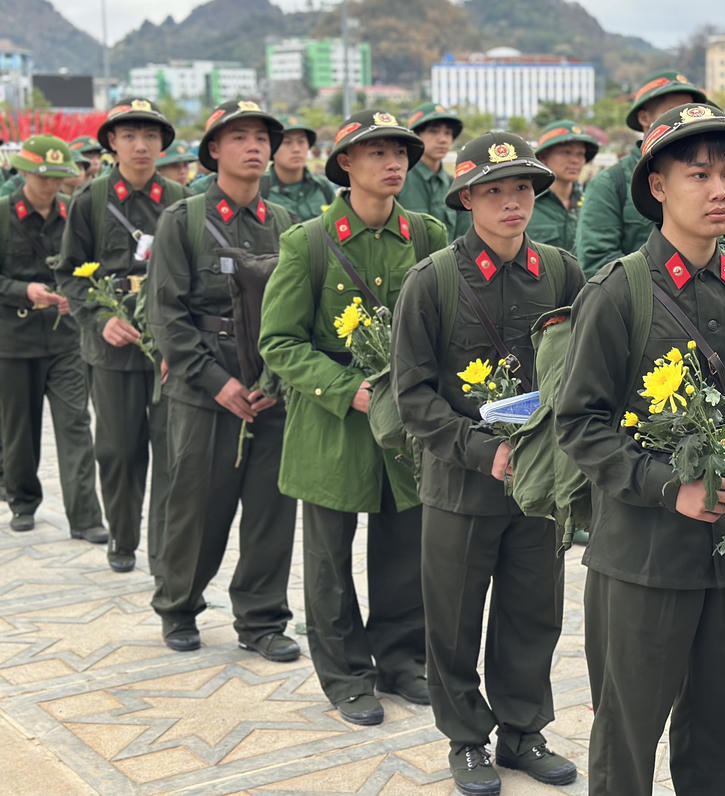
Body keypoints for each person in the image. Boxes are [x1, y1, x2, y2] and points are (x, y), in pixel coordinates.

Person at [555, 104, 725, 796]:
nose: (720, 190)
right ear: (658, 185)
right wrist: (670, 486)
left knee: (723, 726)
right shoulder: (618, 291)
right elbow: (578, 424)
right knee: (628, 731)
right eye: (699, 174)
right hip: (641, 555)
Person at [392, 132, 583, 796]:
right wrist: (484, 449)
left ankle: (524, 730)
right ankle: (466, 739)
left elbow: (580, 374)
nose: (513, 203)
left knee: (534, 611)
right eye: (496, 191)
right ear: (467, 198)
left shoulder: (560, 271)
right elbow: (411, 395)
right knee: (453, 616)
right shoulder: (434, 280)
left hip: (539, 485)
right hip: (462, 482)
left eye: (524, 189)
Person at [259, 109, 446, 725]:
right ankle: (345, 677)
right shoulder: (308, 241)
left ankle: (400, 661)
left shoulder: (427, 234)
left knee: (404, 548)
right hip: (333, 421)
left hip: (406, 423)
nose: (393, 164)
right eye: (376, 153)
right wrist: (348, 389)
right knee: (329, 559)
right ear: (345, 163)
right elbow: (280, 342)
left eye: (400, 153)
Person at [147, 100, 298, 659]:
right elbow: (166, 314)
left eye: (262, 137)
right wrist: (217, 382)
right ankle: (179, 606)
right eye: (239, 138)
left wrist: (276, 380)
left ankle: (262, 620)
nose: (255, 147)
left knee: (271, 511)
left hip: (270, 388)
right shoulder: (182, 219)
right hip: (205, 390)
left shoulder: (286, 225)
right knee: (196, 506)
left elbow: (298, 312)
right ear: (214, 150)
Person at [57, 99, 184, 574]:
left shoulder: (177, 199)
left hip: (167, 353)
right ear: (111, 142)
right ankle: (123, 536)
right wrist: (96, 317)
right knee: (117, 451)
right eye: (130, 135)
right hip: (110, 352)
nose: (141, 145)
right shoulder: (89, 200)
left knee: (171, 454)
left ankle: (163, 553)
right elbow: (68, 272)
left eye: (150, 136)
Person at [0, 134, 106, 542]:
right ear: (25, 173)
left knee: (76, 424)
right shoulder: (4, 214)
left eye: (57, 178)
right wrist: (22, 291)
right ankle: (23, 502)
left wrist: (76, 296)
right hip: (14, 339)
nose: (49, 185)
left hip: (66, 341)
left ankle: (86, 517)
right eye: (42, 177)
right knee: (19, 429)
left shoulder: (72, 215)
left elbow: (90, 268)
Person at [575, 70, 707, 277]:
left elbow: (723, 247)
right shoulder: (610, 183)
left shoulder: (706, 178)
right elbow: (598, 261)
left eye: (689, 110)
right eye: (674, 110)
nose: (683, 119)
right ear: (645, 117)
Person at [528, 118, 599, 252]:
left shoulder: (590, 203)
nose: (575, 160)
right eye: (566, 152)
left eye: (581, 154)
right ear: (543, 157)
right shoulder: (528, 205)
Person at [398, 102, 464, 236]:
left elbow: (464, 239)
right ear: (416, 135)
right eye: (433, 131)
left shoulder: (456, 187)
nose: (443, 140)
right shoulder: (398, 182)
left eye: (448, 133)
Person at [261, 115, 336, 221]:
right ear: (273, 147)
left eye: (301, 142)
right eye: (287, 142)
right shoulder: (259, 189)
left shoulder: (322, 187)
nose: (296, 149)